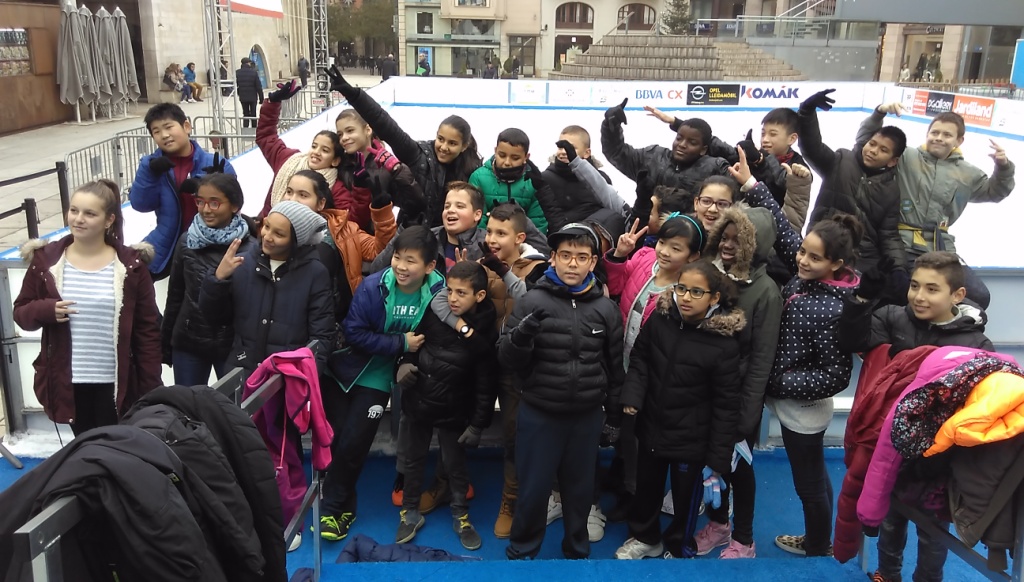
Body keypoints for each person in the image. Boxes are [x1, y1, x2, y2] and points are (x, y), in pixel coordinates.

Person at [837, 251, 993, 582]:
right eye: (914, 286)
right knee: (890, 521)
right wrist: (862, 297)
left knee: (933, 533)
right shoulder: (894, 318)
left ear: (957, 295)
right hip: (890, 446)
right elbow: (851, 340)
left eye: (932, 289)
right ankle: (887, 574)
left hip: (939, 456)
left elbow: (978, 407)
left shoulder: (976, 343)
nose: (919, 296)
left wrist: (943, 454)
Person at [737, 150, 862, 558]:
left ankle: (818, 547)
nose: (802, 259)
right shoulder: (808, 277)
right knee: (814, 476)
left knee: (808, 482)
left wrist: (778, 382)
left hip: (802, 408)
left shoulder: (835, 309)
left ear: (836, 264)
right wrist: (752, 185)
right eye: (803, 252)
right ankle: (821, 540)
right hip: (786, 394)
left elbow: (836, 374)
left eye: (813, 257)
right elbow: (785, 232)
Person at [499, 223, 625, 560]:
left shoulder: (606, 309)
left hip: (586, 416)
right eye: (566, 255)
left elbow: (615, 369)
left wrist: (614, 417)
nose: (572, 263)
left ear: (593, 262)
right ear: (553, 258)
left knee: (580, 490)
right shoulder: (530, 301)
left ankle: (576, 550)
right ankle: (523, 550)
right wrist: (521, 337)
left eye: (581, 257)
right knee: (533, 489)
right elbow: (506, 360)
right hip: (539, 412)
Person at [422, 202, 548, 535]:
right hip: (475, 362)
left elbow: (532, 302)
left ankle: (511, 498)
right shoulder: (478, 265)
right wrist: (464, 328)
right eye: (489, 231)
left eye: (501, 233)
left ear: (519, 237)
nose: (492, 239)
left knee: (513, 434)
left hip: (514, 369)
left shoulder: (536, 267)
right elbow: (440, 300)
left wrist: (503, 271)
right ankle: (444, 481)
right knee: (454, 423)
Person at [320, 226, 446, 542]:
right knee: (338, 441)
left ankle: (330, 509)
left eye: (411, 261)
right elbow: (354, 333)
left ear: (430, 266)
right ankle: (342, 504)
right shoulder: (373, 286)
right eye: (397, 257)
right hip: (343, 370)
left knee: (354, 443)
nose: (401, 266)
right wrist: (400, 343)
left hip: (378, 377)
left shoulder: (439, 292)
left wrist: (407, 359)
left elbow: (436, 338)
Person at [615, 260, 744, 559]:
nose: (686, 297)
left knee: (685, 498)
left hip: (691, 440)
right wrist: (633, 394)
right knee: (646, 488)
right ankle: (645, 537)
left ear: (714, 298)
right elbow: (640, 358)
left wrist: (718, 458)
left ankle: (677, 544)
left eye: (696, 292)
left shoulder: (724, 345)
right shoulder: (660, 320)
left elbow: (726, 405)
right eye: (681, 288)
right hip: (652, 426)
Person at [13, 180, 162, 436]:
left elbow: (147, 330)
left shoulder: (131, 266)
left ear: (108, 220)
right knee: (86, 449)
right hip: (69, 383)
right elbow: (21, 313)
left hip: (117, 383)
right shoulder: (46, 261)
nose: (78, 219)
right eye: (74, 210)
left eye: (90, 213)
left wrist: (151, 387)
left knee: (116, 447)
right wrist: (47, 310)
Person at [693, 186, 786, 559]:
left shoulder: (766, 292)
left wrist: (747, 415)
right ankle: (718, 525)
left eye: (738, 239)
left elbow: (762, 359)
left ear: (755, 245)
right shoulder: (713, 275)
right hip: (705, 392)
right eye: (725, 236)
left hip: (737, 399)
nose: (728, 245)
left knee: (738, 469)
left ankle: (744, 539)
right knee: (710, 464)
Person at [857, 104, 1015, 308]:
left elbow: (995, 192)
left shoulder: (968, 173)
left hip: (941, 249)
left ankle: (946, 323)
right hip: (903, 245)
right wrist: (879, 113)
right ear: (927, 134)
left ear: (959, 141)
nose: (939, 138)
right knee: (902, 293)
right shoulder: (906, 157)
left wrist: (1003, 168)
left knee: (978, 296)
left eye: (947, 135)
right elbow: (866, 144)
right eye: (935, 132)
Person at [602, 215, 706, 520]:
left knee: (640, 437)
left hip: (653, 375)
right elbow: (616, 285)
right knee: (625, 429)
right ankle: (623, 477)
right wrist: (619, 256)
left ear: (693, 256)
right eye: (663, 242)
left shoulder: (686, 290)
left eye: (676, 248)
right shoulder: (644, 258)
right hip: (623, 360)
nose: (665, 251)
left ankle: (635, 494)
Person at [394, 261, 498, 550]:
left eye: (461, 293)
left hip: (455, 408)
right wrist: (403, 365)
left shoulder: (485, 331)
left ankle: (461, 516)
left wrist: (478, 424)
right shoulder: (435, 312)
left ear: (479, 296)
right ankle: (409, 512)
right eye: (449, 291)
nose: (452, 298)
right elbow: (413, 344)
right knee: (413, 460)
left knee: (456, 465)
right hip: (418, 401)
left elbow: (486, 382)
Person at [325, 65, 481, 227]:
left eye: (452, 143)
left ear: (464, 146)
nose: (443, 147)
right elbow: (384, 123)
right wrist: (354, 95)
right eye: (440, 139)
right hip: (412, 234)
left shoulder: (472, 171)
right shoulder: (418, 155)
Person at [199, 200, 335, 375]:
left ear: (296, 240)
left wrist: (304, 375)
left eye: (279, 234)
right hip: (242, 372)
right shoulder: (241, 263)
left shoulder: (315, 273)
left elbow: (322, 336)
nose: (267, 236)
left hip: (287, 376)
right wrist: (217, 279)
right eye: (267, 226)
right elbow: (214, 317)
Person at [798, 89, 908, 304]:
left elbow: (889, 234)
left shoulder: (891, 190)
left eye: (883, 150)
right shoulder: (841, 161)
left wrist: (899, 268)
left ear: (892, 161)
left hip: (863, 256)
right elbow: (812, 148)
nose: (873, 150)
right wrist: (807, 112)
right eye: (872, 144)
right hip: (825, 245)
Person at [163, 173, 256, 386]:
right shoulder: (187, 241)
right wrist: (166, 342)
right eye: (200, 202)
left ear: (234, 206)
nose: (206, 210)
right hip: (189, 342)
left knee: (234, 404)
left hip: (232, 346)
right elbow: (175, 295)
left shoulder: (251, 249)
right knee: (187, 403)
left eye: (214, 203)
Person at [130, 103, 236, 280]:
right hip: (168, 242)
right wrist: (149, 173)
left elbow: (234, 206)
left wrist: (208, 186)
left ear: (186, 126)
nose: (164, 135)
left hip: (209, 245)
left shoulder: (215, 163)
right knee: (133, 275)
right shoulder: (151, 165)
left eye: (168, 127)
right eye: (156, 131)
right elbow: (141, 204)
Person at [281, 169, 396, 319]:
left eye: (303, 195)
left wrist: (382, 212)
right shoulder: (269, 228)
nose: (292, 200)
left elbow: (380, 250)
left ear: (321, 203)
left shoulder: (345, 230)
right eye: (289, 192)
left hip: (332, 317)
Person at [255, 79, 370, 227]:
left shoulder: (336, 188)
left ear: (335, 160)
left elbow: (349, 221)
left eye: (325, 150)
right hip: (265, 230)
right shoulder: (288, 159)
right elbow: (266, 137)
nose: (316, 152)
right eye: (314, 146)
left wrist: (362, 189)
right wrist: (273, 102)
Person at [601, 98, 731, 229]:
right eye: (679, 138)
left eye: (692, 142)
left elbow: (736, 156)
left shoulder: (715, 168)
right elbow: (616, 152)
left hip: (692, 234)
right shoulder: (652, 157)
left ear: (704, 149)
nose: (682, 145)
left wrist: (677, 123)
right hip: (647, 232)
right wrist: (611, 126)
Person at [370, 182, 489, 276]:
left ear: (477, 215)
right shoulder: (428, 237)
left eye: (460, 206)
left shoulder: (486, 243)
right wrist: (403, 233)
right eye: (447, 206)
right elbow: (376, 269)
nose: (451, 210)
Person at [335, 108, 428, 228]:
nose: (344, 138)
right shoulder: (340, 165)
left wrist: (398, 169)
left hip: (379, 235)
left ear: (368, 130)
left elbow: (415, 204)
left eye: (350, 130)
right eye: (340, 134)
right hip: (347, 232)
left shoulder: (386, 168)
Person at [544, 126, 631, 240]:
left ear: (587, 153)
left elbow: (612, 215)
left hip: (594, 242)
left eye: (571, 148)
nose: (564, 152)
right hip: (559, 240)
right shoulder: (545, 179)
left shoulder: (601, 179)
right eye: (560, 147)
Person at [469, 128, 550, 234]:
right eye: (502, 155)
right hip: (487, 240)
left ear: (526, 157)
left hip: (522, 241)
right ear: (495, 151)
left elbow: (538, 223)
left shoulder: (534, 181)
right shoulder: (478, 178)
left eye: (515, 158)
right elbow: (476, 219)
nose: (507, 162)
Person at [236, 57, 264, 129]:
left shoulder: (237, 72)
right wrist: (261, 98)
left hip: (243, 97)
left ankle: (245, 128)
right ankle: (254, 129)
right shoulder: (254, 73)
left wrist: (239, 93)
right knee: (253, 113)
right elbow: (259, 87)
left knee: (245, 113)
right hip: (253, 97)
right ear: (248, 63)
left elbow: (236, 85)